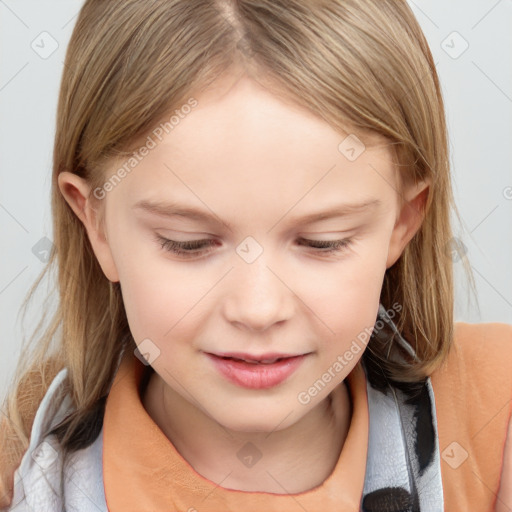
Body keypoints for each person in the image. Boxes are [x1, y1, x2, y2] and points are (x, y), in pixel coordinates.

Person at [1, 0, 511, 510]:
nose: (258, 309)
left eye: (323, 242)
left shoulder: (496, 411)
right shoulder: (22, 459)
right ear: (96, 225)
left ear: (402, 221)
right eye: (188, 243)